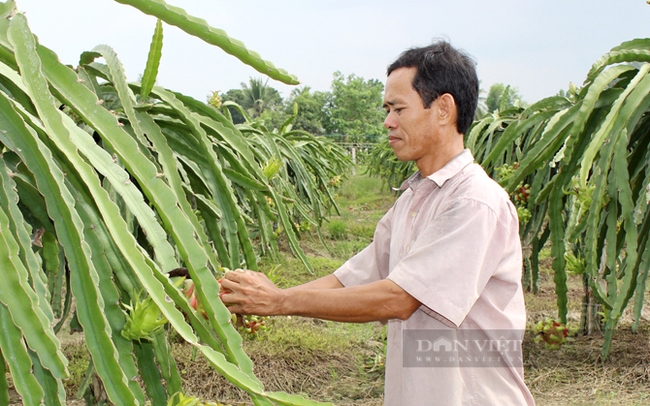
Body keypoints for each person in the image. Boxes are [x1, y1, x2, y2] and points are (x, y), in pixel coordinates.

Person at [220, 40, 535, 406]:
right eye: (387, 109)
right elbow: (348, 280)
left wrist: (280, 301)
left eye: (398, 108)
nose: (388, 122)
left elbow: (399, 299)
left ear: (444, 109)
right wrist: (246, 295)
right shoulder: (412, 202)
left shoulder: (475, 202)